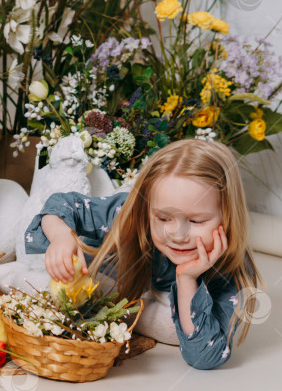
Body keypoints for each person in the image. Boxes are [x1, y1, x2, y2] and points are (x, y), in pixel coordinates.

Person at [25, 139, 262, 370]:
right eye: (163, 218)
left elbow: (204, 356)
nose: (178, 234)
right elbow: (61, 205)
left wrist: (187, 278)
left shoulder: (230, 269)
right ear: (147, 209)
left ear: (229, 216)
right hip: (65, 261)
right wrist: (61, 237)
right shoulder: (129, 214)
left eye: (196, 220)